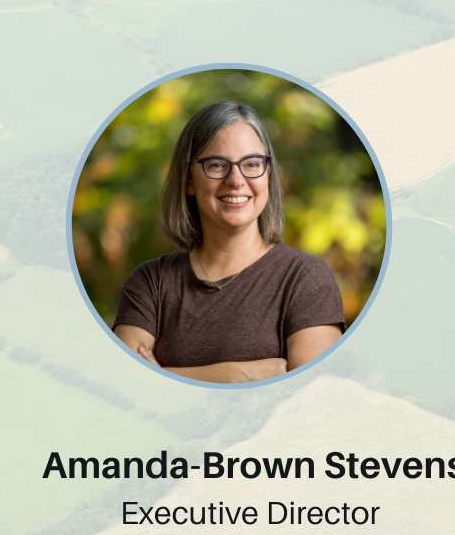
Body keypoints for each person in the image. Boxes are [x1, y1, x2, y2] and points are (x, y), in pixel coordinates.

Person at [113, 100, 345, 383]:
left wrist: (162, 377)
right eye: (216, 164)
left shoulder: (305, 278)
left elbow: (310, 396)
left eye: (252, 164)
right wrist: (242, 373)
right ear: (188, 180)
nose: (236, 180)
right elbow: (123, 386)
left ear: (268, 175)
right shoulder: (151, 283)